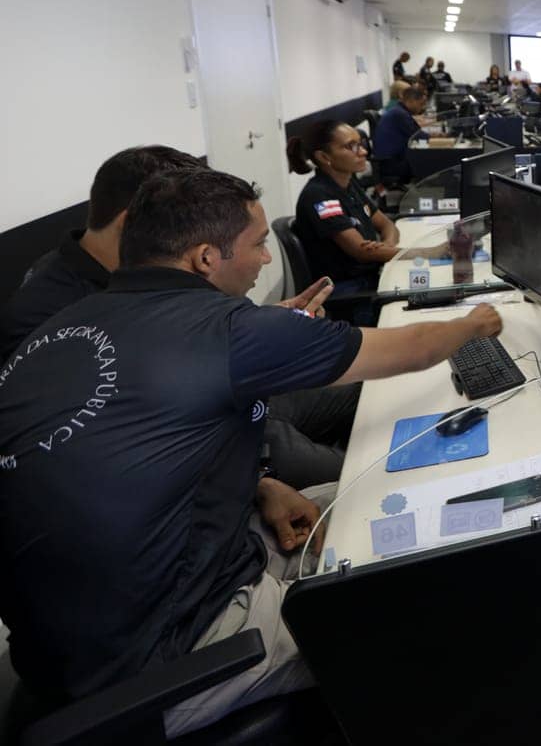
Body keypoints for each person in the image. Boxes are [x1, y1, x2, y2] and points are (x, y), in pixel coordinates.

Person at [0, 168, 505, 735]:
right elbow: (413, 349)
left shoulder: (62, 326)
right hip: (162, 661)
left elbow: (141, 453)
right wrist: (474, 322)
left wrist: (261, 485)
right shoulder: (228, 329)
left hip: (73, 643)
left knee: (390, 491)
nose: (267, 260)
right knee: (440, 601)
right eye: (258, 244)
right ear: (205, 258)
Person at [1, 146, 355, 492]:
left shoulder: (138, 273)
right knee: (361, 472)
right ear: (136, 222)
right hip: (205, 445)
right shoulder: (51, 316)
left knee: (364, 395)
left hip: (236, 407)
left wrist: (267, 322)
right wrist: (261, 487)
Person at [1, 145, 201, 360]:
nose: (192, 245)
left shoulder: (89, 262)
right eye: (184, 229)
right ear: (135, 223)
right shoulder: (49, 324)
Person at [287, 121, 403, 310]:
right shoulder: (319, 196)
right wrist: (422, 253)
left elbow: (387, 225)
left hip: (369, 277)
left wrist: (386, 246)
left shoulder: (348, 184)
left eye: (361, 144)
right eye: (352, 146)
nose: (363, 151)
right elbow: (361, 251)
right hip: (350, 292)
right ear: (324, 157)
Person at [372, 84, 429, 184]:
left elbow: (416, 132)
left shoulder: (399, 111)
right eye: (420, 104)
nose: (422, 108)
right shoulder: (400, 114)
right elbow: (418, 136)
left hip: (391, 159)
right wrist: (438, 137)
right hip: (392, 164)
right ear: (411, 101)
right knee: (431, 158)